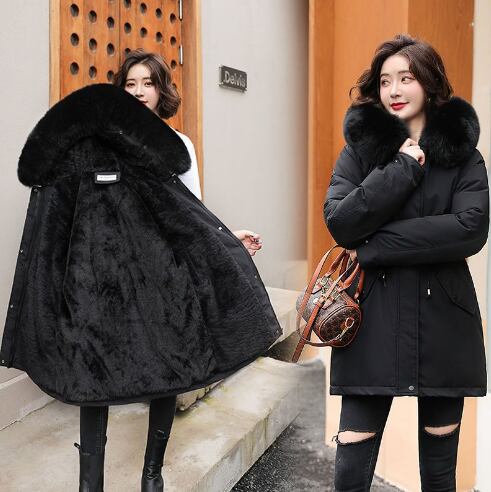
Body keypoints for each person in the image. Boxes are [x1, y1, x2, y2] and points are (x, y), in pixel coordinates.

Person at [0, 51, 281, 491]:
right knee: (91, 373)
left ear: (161, 90)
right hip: (100, 281)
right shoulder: (96, 143)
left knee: (170, 366)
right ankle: (89, 483)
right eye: (130, 84)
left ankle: (152, 472)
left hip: (161, 276)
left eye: (147, 83)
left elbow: (191, 211)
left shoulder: (177, 144)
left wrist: (228, 237)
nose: (138, 92)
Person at [324, 34, 488, 491]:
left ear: (429, 83)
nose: (394, 90)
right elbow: (341, 223)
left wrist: (371, 247)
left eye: (406, 78)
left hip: (444, 325)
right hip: (369, 321)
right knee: (350, 470)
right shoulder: (359, 153)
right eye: (385, 81)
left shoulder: (464, 157)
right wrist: (401, 168)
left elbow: (469, 229)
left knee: (439, 473)